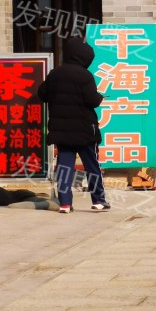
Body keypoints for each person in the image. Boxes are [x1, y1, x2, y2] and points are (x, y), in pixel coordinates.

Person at [38, 36, 109, 213]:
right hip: (85, 130)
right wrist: (100, 97)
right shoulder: (85, 75)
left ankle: (65, 203)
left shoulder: (55, 74)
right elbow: (92, 100)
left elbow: (42, 94)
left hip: (62, 131)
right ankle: (98, 200)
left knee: (64, 166)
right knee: (91, 165)